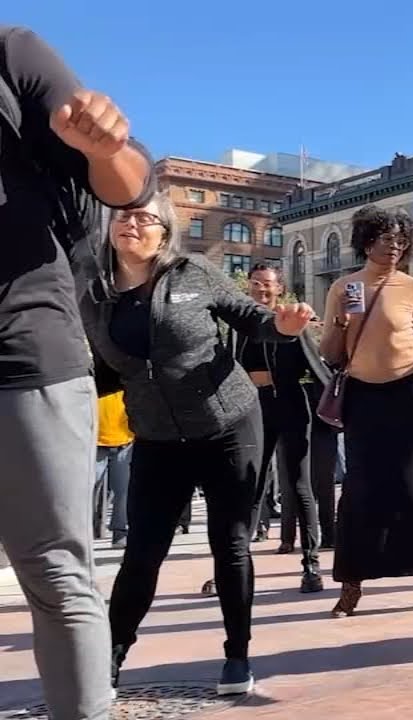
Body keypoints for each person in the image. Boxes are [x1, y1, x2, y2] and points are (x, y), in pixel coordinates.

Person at [81, 194, 314, 697]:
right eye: (124, 216)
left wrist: (283, 325)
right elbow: (102, 371)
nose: (133, 223)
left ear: (164, 232)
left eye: (146, 217)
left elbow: (250, 316)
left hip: (228, 424)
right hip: (157, 437)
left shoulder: (194, 273)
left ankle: (237, 655)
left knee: (228, 545)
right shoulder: (96, 293)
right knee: (142, 552)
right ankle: (111, 658)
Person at [0, 26, 158, 719]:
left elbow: (129, 184)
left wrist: (104, 145)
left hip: (22, 352)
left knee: (56, 574)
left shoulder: (11, 52)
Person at [319, 205, 413, 617]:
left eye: (402, 241)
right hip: (363, 395)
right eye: (386, 240)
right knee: (362, 488)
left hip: (412, 390)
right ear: (367, 241)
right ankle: (350, 585)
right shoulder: (342, 288)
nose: (395, 247)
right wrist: (343, 322)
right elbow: (330, 354)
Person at [236, 263, 326, 591]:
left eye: (268, 285)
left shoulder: (292, 321)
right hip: (252, 411)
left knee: (299, 485)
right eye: (256, 283)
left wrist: (344, 408)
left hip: (290, 407)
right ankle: (235, 566)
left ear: (279, 289)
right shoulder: (240, 324)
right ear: (248, 286)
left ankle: (311, 566)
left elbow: (316, 368)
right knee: (250, 485)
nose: (262, 289)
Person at [94, 387, 133, 547]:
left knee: (123, 491)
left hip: (125, 442)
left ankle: (120, 532)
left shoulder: (125, 379)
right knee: (87, 489)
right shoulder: (94, 379)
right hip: (95, 443)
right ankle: (88, 529)